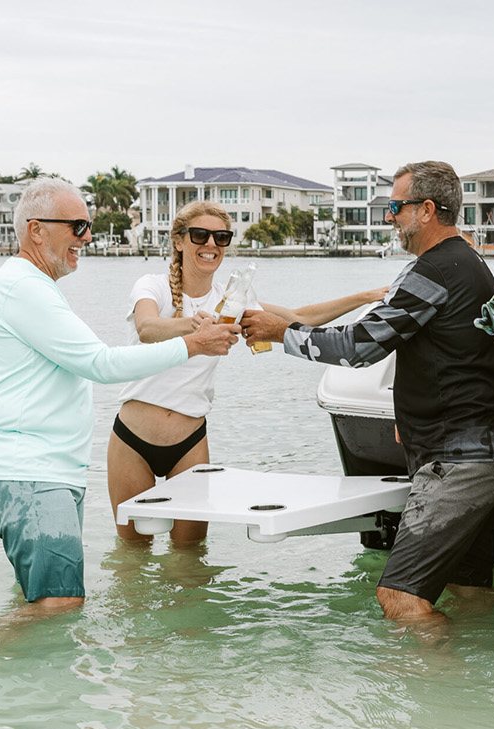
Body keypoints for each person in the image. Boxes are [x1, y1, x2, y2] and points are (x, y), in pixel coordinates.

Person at [239, 161, 494, 624]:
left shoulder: (431, 271)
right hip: (486, 458)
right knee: (469, 593)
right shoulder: (473, 266)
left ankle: (439, 692)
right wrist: (420, 417)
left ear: (426, 210)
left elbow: (359, 348)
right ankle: (481, 683)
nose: (389, 217)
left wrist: (281, 330)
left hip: (457, 466)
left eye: (395, 207)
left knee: (399, 599)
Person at [0, 178, 239, 615]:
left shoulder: (28, 286)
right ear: (37, 230)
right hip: (29, 472)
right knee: (60, 602)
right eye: (77, 226)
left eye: (87, 225)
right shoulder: (24, 288)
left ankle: (22, 682)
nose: (88, 237)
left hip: (45, 471)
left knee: (49, 600)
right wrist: (194, 343)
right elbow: (102, 364)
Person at [109, 200, 386, 544]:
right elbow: (147, 327)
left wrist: (366, 296)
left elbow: (300, 318)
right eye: (200, 235)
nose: (211, 245)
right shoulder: (152, 285)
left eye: (221, 238)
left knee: (190, 559)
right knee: (132, 557)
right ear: (179, 241)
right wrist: (192, 327)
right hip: (132, 441)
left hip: (189, 443)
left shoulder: (232, 300)